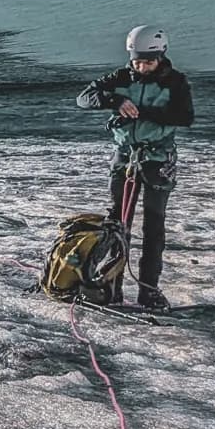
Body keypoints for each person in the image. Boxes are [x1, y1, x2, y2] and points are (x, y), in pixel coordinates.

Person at [76, 25, 195, 309]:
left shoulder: (176, 82)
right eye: (137, 61)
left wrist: (143, 113)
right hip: (124, 159)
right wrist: (114, 100)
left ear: (161, 56)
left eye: (148, 62)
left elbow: (185, 116)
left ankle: (149, 290)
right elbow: (83, 98)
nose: (142, 67)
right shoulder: (119, 78)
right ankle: (112, 286)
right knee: (118, 224)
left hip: (158, 161)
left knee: (153, 226)